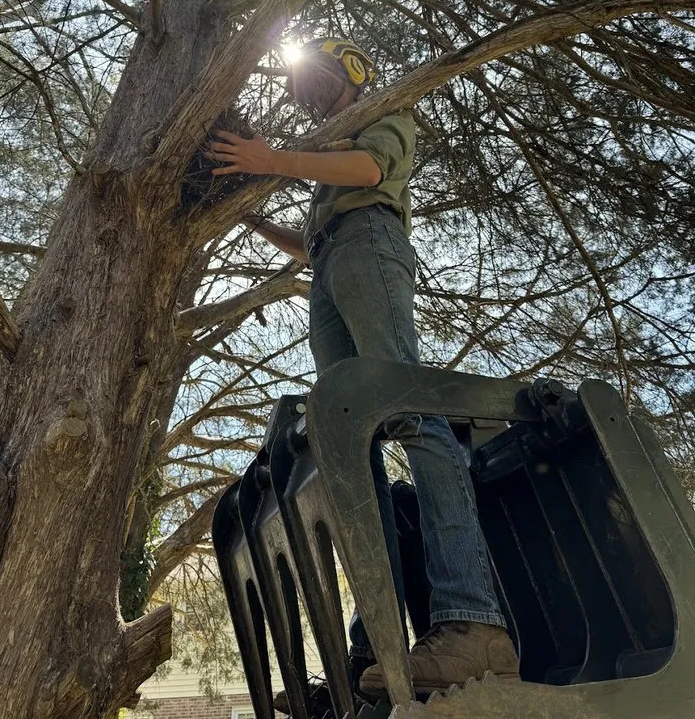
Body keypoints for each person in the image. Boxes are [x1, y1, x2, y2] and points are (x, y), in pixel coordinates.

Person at [209, 37, 519, 697]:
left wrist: (273, 159)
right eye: (303, 86)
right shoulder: (325, 163)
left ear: (353, 70)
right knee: (353, 443)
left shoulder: (386, 108)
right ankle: (372, 642)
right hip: (328, 259)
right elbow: (310, 237)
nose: (309, 93)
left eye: (319, 78)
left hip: (369, 244)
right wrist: (258, 212)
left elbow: (369, 175)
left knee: (412, 412)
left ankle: (472, 623)